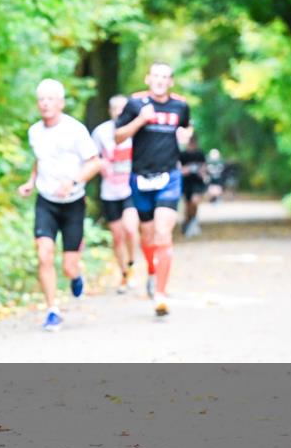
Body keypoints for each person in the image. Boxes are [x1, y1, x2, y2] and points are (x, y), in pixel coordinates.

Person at [18, 79, 101, 332]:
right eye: (41, 99)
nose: (45, 103)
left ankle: (76, 276)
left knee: (68, 266)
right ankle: (52, 310)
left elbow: (95, 162)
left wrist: (73, 181)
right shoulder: (35, 131)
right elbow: (40, 160)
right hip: (46, 201)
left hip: (73, 203)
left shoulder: (75, 130)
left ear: (61, 103)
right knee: (44, 254)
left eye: (50, 99)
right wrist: (31, 181)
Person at [115, 62, 191, 316]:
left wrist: (185, 135)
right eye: (156, 76)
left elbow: (186, 126)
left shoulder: (180, 106)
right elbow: (118, 136)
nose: (160, 81)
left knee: (163, 233)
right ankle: (151, 269)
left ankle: (160, 294)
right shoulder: (135, 103)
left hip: (169, 177)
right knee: (147, 235)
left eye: (165, 77)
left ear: (171, 82)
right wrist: (140, 120)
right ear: (148, 79)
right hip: (140, 178)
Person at [91, 95, 140, 294]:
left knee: (130, 229)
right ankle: (124, 274)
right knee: (117, 236)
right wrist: (101, 165)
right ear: (110, 111)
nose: (119, 112)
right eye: (115, 109)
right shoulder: (100, 132)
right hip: (110, 192)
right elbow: (92, 158)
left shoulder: (135, 131)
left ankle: (132, 263)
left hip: (130, 189)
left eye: (123, 108)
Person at [179, 134, 208, 236]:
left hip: (197, 183)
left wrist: (202, 172)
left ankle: (193, 220)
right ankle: (188, 222)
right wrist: (186, 170)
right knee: (188, 205)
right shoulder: (183, 155)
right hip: (186, 183)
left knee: (194, 202)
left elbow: (204, 167)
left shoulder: (200, 154)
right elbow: (179, 169)